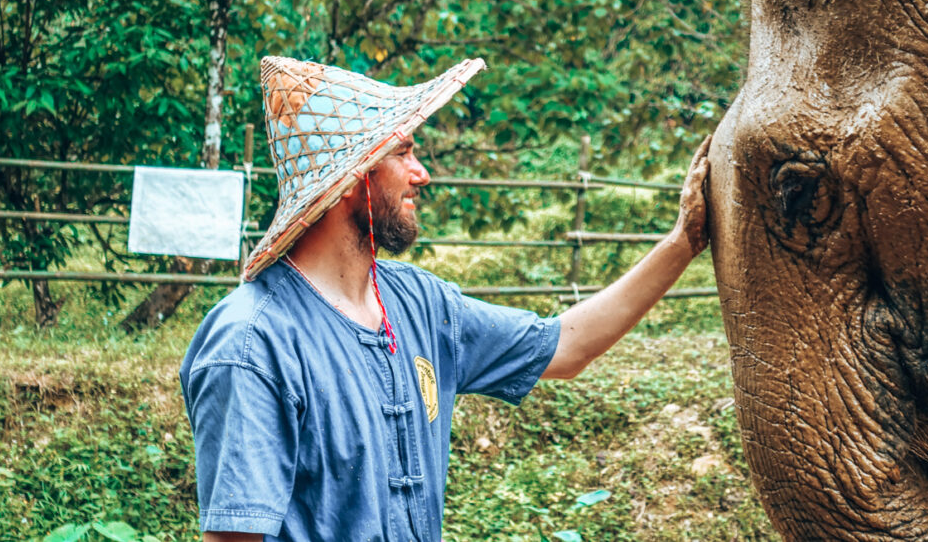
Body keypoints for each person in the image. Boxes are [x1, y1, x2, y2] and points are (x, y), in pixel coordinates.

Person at [180, 56, 712, 542]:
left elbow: (567, 346)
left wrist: (683, 242)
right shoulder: (253, 342)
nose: (422, 174)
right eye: (403, 152)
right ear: (347, 180)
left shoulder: (420, 303)